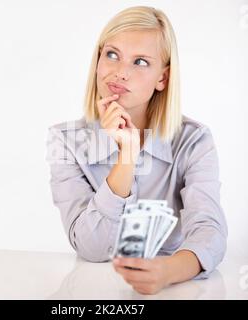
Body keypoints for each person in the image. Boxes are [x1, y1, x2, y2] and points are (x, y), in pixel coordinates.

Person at [46, 6, 228, 295]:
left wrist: (167, 271)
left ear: (163, 79)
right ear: (97, 60)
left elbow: (210, 233)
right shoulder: (65, 141)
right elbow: (91, 248)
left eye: (140, 61)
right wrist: (127, 156)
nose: (120, 73)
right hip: (92, 291)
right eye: (112, 54)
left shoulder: (194, 141)